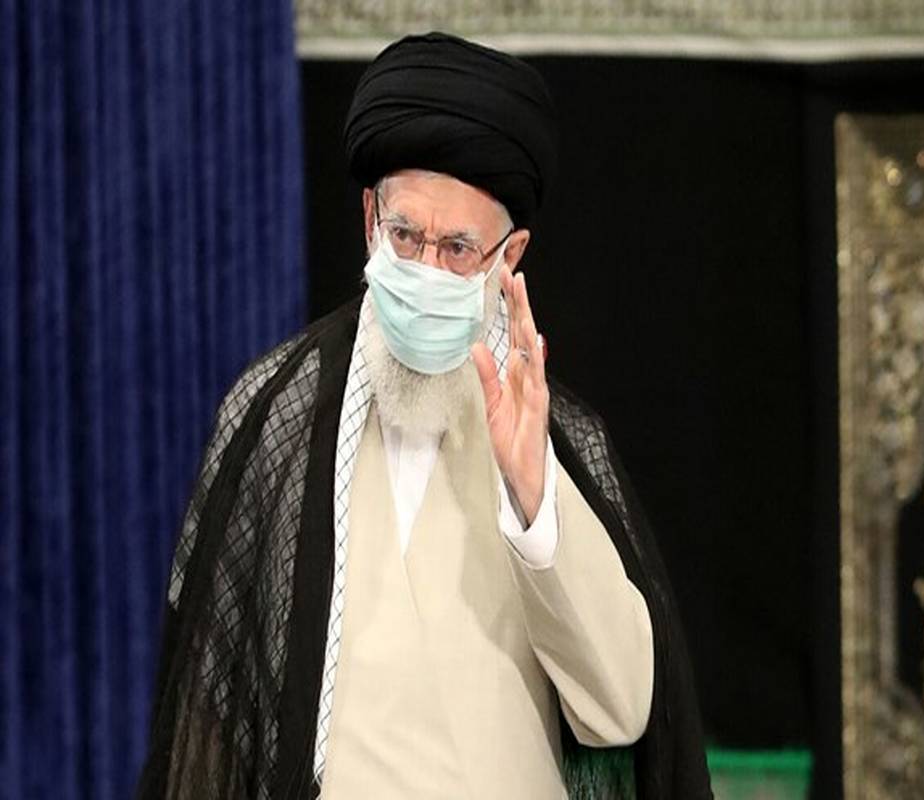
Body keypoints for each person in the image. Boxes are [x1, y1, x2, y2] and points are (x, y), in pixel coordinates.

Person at [137, 31, 711, 799]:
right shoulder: (276, 409)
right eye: (406, 235)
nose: (426, 269)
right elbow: (212, 712)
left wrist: (534, 498)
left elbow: (621, 711)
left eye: (459, 248)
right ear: (369, 219)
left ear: (509, 256)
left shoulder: (557, 441)